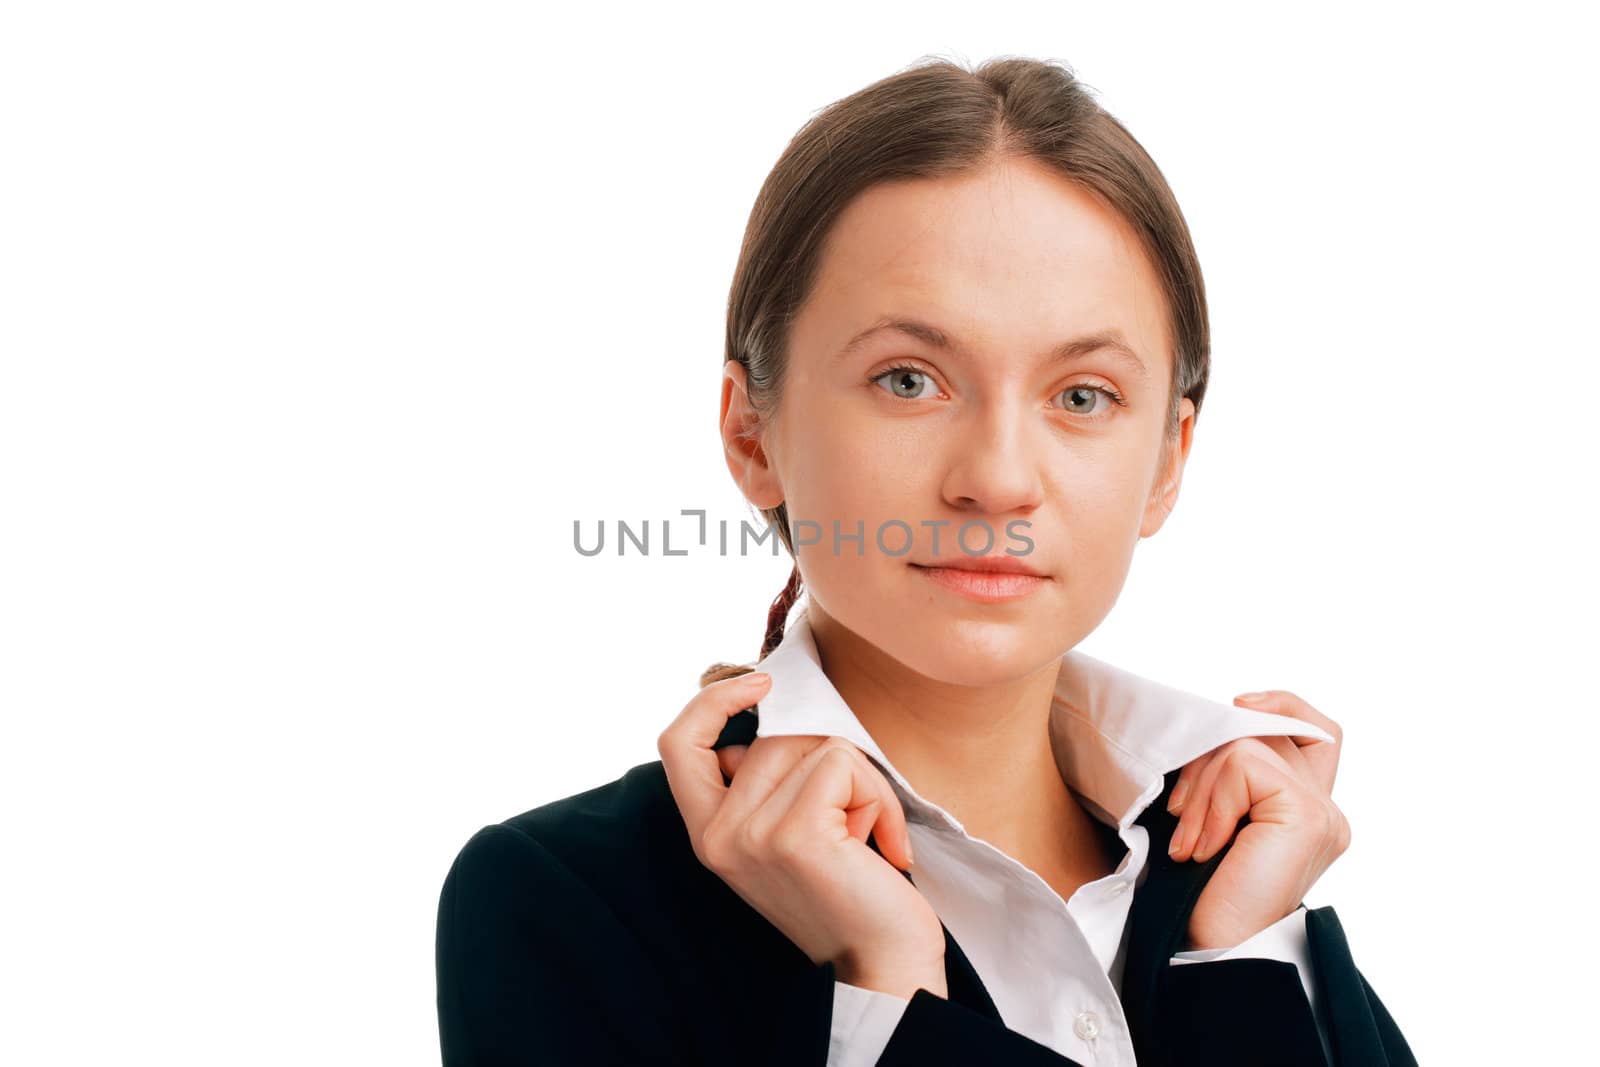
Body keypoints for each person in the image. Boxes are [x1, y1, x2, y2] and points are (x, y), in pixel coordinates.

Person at [435, 55, 1417, 1066]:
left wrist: (1245, 960)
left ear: (1167, 459)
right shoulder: (567, 901)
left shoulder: (1243, 878)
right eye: (908, 379)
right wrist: (888, 985)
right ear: (751, 433)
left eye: (1081, 395)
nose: (995, 478)